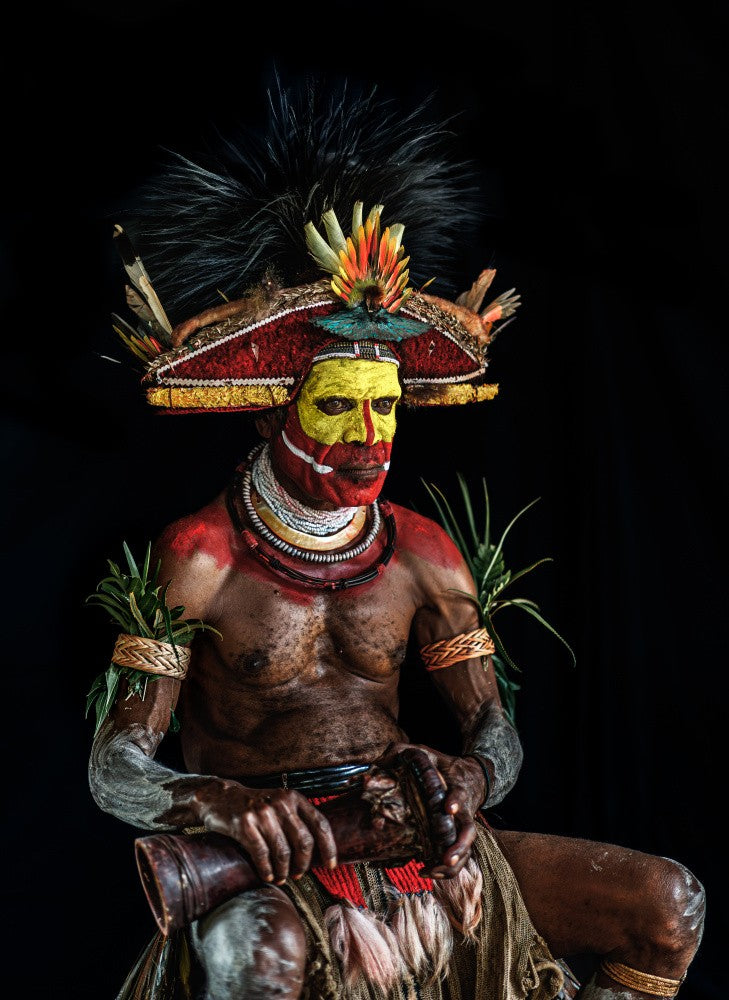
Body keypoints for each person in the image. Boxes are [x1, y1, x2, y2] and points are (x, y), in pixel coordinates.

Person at [89, 88, 704, 1000]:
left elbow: (495, 732)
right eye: (337, 404)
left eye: (383, 408)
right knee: (255, 970)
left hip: (412, 833)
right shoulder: (201, 556)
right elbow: (115, 764)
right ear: (272, 412)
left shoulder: (422, 550)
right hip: (272, 861)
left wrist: (465, 774)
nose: (368, 437)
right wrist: (219, 801)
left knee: (667, 906)